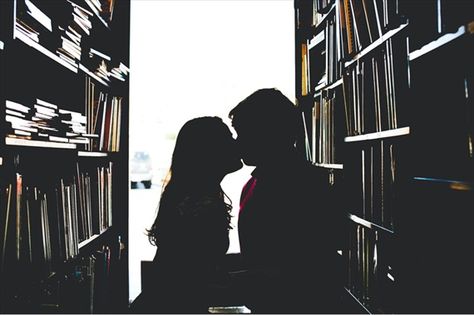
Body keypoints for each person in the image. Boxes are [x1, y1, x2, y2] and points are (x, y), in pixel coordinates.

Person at [229, 88, 343, 313]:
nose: (238, 142)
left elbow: (306, 267)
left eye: (243, 133)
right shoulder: (255, 184)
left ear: (265, 134)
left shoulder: (304, 186)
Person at [134, 117, 243, 313]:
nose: (236, 142)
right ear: (210, 152)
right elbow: (190, 281)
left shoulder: (191, 196)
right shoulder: (200, 205)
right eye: (229, 138)